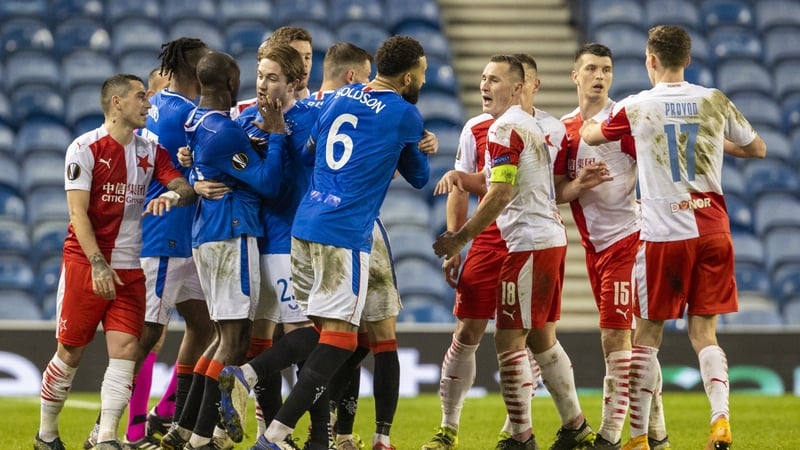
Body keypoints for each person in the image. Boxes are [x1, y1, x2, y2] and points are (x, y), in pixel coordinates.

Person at [579, 25, 767, 450]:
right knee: (705, 334)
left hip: (665, 232)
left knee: (646, 334)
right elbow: (758, 149)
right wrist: (710, 142)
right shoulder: (714, 100)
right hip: (714, 228)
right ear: (688, 58)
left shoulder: (637, 106)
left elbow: (591, 135)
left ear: (651, 61)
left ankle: (640, 437)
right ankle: (720, 420)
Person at [253, 35, 429, 450]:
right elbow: (419, 177)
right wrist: (414, 145)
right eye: (421, 72)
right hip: (345, 231)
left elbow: (312, 154)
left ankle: (261, 398)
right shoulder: (405, 113)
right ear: (408, 76)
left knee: (321, 334)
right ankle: (272, 427)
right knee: (343, 340)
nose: (422, 78)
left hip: (305, 225)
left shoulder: (343, 95)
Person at [424, 54, 594, 450]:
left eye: (495, 79)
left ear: (523, 87)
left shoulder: (520, 128)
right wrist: (458, 183)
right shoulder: (502, 127)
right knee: (522, 337)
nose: (485, 85)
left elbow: (503, 190)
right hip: (524, 238)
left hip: (526, 239)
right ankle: (565, 426)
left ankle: (523, 434)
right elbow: (489, 180)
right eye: (483, 78)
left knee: (514, 338)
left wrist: (458, 237)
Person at [33, 73, 196, 450]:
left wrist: (174, 195)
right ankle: (46, 433)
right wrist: (97, 263)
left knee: (125, 351)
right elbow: (77, 214)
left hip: (129, 267)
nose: (149, 104)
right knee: (70, 352)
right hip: (85, 265)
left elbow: (183, 188)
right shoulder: (84, 148)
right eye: (141, 97)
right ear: (117, 103)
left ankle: (107, 437)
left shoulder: (151, 148)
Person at [162, 50, 288, 450]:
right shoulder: (225, 130)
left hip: (206, 232)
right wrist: (278, 134)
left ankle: (185, 428)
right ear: (233, 84)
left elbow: (209, 159)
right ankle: (201, 438)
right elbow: (268, 183)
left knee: (220, 338)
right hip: (231, 232)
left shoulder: (194, 121)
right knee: (236, 341)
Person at [555, 43, 671, 450]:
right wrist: (579, 185)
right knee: (635, 345)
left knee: (615, 337)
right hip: (595, 247)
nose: (599, 76)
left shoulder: (623, 120)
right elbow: (557, 192)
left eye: (606, 69)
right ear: (575, 75)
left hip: (629, 239)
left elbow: (657, 166)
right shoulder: (564, 130)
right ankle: (657, 434)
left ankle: (608, 434)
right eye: (591, 68)